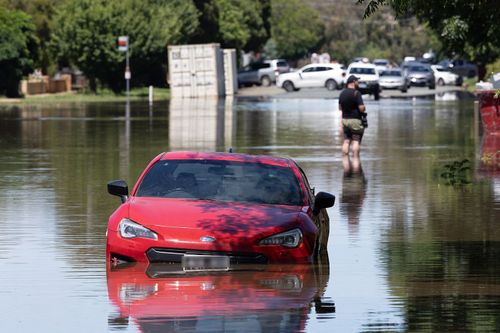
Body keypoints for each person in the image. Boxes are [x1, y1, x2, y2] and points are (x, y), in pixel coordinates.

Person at [339, 75, 366, 157]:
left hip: (345, 120)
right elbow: (361, 108)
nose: (358, 83)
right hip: (355, 121)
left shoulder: (342, 93)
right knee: (356, 140)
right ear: (354, 82)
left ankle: (345, 161)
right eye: (357, 81)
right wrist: (364, 108)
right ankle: (355, 161)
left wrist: (340, 123)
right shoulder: (356, 93)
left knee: (346, 140)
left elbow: (340, 108)